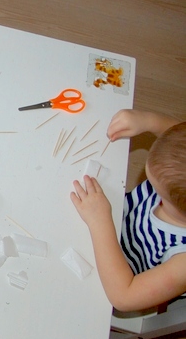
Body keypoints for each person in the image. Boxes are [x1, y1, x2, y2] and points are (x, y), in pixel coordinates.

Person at [70, 109, 186, 312]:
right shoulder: (178, 177)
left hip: (118, 271)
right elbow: (177, 137)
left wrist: (100, 221)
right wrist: (149, 120)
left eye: (157, 190)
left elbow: (123, 296)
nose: (151, 188)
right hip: (117, 216)